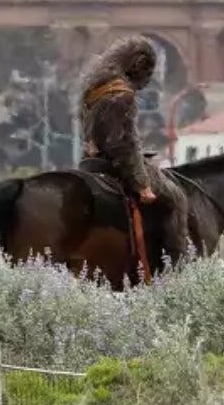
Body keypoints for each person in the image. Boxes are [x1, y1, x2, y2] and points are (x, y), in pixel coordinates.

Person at [77, 35, 191, 275]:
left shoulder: (94, 86)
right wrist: (142, 184)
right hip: (113, 163)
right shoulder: (122, 94)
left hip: (90, 161)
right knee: (176, 198)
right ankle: (177, 269)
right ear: (137, 65)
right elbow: (124, 145)